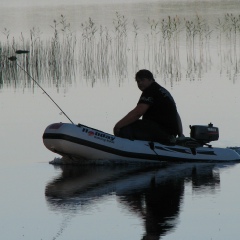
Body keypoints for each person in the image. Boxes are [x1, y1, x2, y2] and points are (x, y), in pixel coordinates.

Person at [113, 69, 184, 143]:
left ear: (151, 79)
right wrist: (180, 134)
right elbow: (175, 114)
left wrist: (117, 126)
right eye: (138, 81)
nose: (140, 83)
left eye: (142, 80)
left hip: (162, 133)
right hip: (170, 134)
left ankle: (126, 147)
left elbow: (138, 112)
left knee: (126, 125)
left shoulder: (150, 90)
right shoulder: (163, 91)